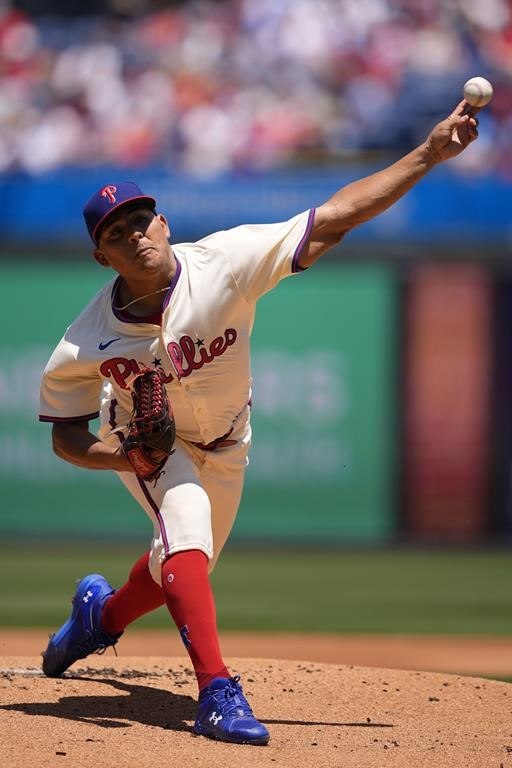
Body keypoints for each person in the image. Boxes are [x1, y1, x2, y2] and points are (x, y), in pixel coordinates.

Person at [39, 101, 479, 746]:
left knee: (183, 567)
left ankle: (98, 617)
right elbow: (63, 433)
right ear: (102, 257)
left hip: (229, 439)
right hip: (150, 445)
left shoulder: (225, 262)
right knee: (185, 537)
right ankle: (217, 692)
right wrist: (120, 456)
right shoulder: (83, 342)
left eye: (141, 219)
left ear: (164, 223)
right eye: (116, 232)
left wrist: (430, 153)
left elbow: (334, 217)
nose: (135, 233)